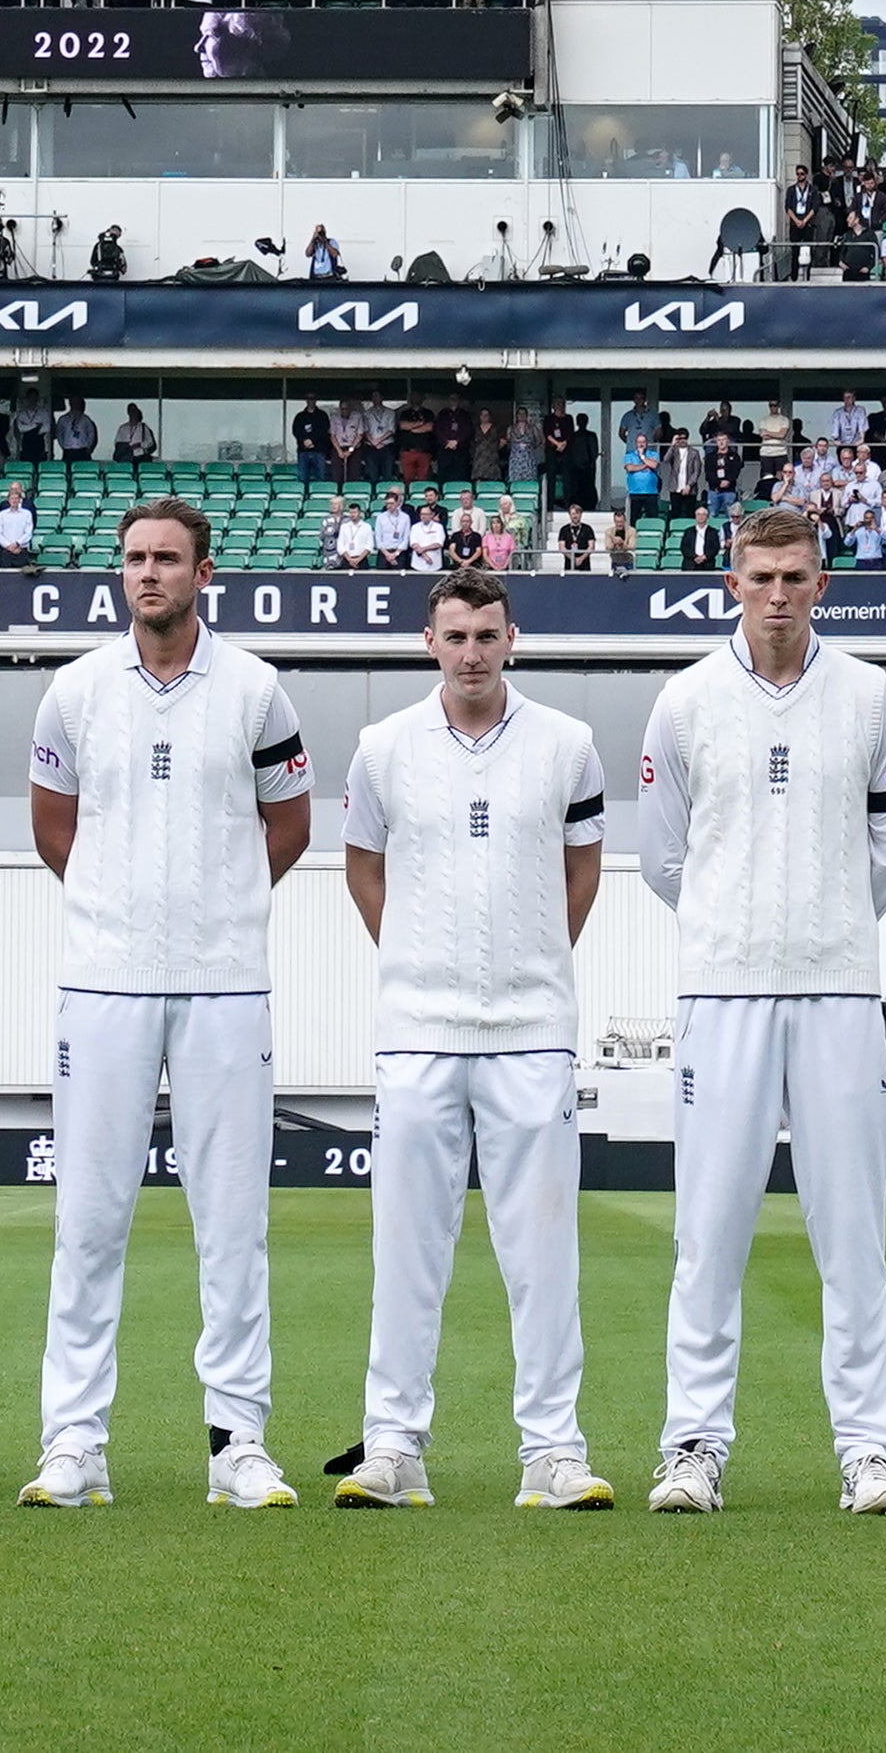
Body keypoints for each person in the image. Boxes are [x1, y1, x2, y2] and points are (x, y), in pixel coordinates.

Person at [23, 495, 314, 1512]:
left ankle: (237, 1441)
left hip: (222, 983)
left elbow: (289, 826)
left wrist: (215, 910)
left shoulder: (256, 689)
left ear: (203, 572)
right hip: (101, 983)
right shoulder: (72, 691)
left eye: (167, 559)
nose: (149, 573)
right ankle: (72, 1443)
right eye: (135, 557)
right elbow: (52, 826)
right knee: (88, 1220)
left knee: (229, 1221)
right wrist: (119, 912)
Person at [633, 501, 886, 1517]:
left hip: (839, 991)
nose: (777, 593)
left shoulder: (871, 694)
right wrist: (733, 927)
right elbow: (663, 858)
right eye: (760, 576)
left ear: (820, 583)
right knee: (707, 1234)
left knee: (852, 1233)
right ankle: (691, 1446)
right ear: (731, 582)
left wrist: (823, 926)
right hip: (722, 990)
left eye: (794, 576)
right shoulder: (685, 699)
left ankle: (868, 1451)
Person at [334, 570, 616, 1512]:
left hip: (533, 1032)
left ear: (512, 637)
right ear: (429, 642)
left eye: (486, 634)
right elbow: (364, 870)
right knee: (407, 1248)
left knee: (542, 1254)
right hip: (417, 1031)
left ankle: (552, 1452)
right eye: (454, 635)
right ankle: (394, 1446)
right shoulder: (380, 750)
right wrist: (420, 962)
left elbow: (583, 872)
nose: (471, 652)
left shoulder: (568, 745)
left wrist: (531, 962)